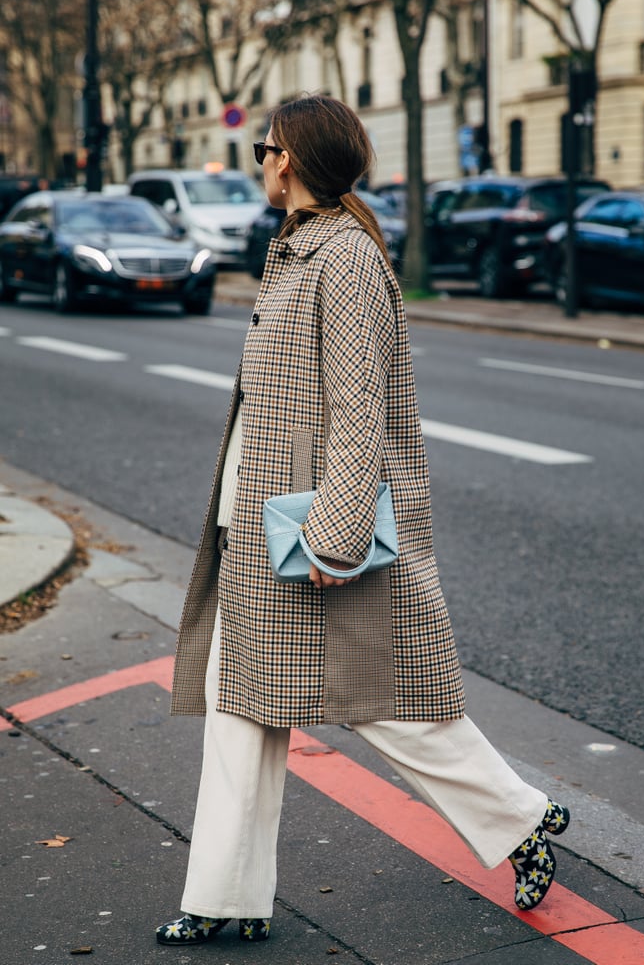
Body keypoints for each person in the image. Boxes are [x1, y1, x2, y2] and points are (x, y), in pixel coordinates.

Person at [156, 95, 570, 947]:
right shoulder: (297, 247)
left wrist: (336, 538)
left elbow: (359, 413)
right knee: (245, 704)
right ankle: (222, 899)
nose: (257, 161)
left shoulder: (342, 259)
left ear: (291, 160)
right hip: (261, 517)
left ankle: (519, 817)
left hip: (308, 528)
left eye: (263, 148)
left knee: (386, 699)